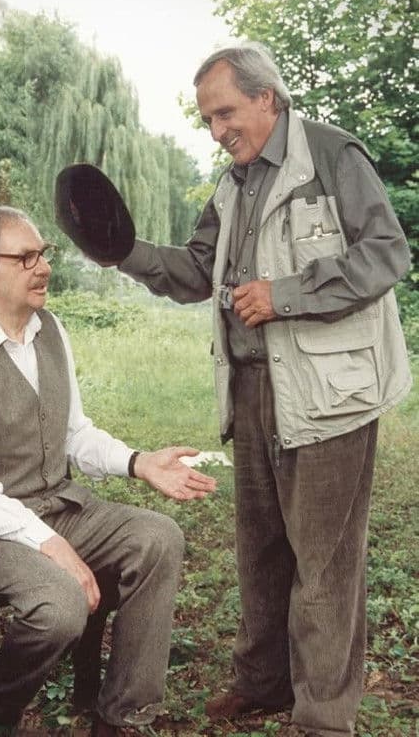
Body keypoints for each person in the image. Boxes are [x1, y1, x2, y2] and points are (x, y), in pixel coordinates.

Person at [93, 43, 411, 737]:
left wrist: (286, 294)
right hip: (251, 390)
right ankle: (263, 682)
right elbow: (197, 270)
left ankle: (323, 717)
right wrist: (124, 252)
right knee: (261, 552)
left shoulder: (331, 155)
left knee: (324, 565)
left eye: (225, 113)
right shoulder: (231, 182)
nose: (217, 131)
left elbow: (387, 255)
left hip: (328, 396)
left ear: (267, 97)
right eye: (208, 119)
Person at [0, 206, 217, 737]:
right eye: (25, 258)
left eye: (44, 254)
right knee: (60, 608)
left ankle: (122, 713)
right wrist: (52, 546)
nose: (43, 268)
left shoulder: (50, 329)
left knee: (159, 538)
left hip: (58, 505)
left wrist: (139, 463)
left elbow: (74, 433)